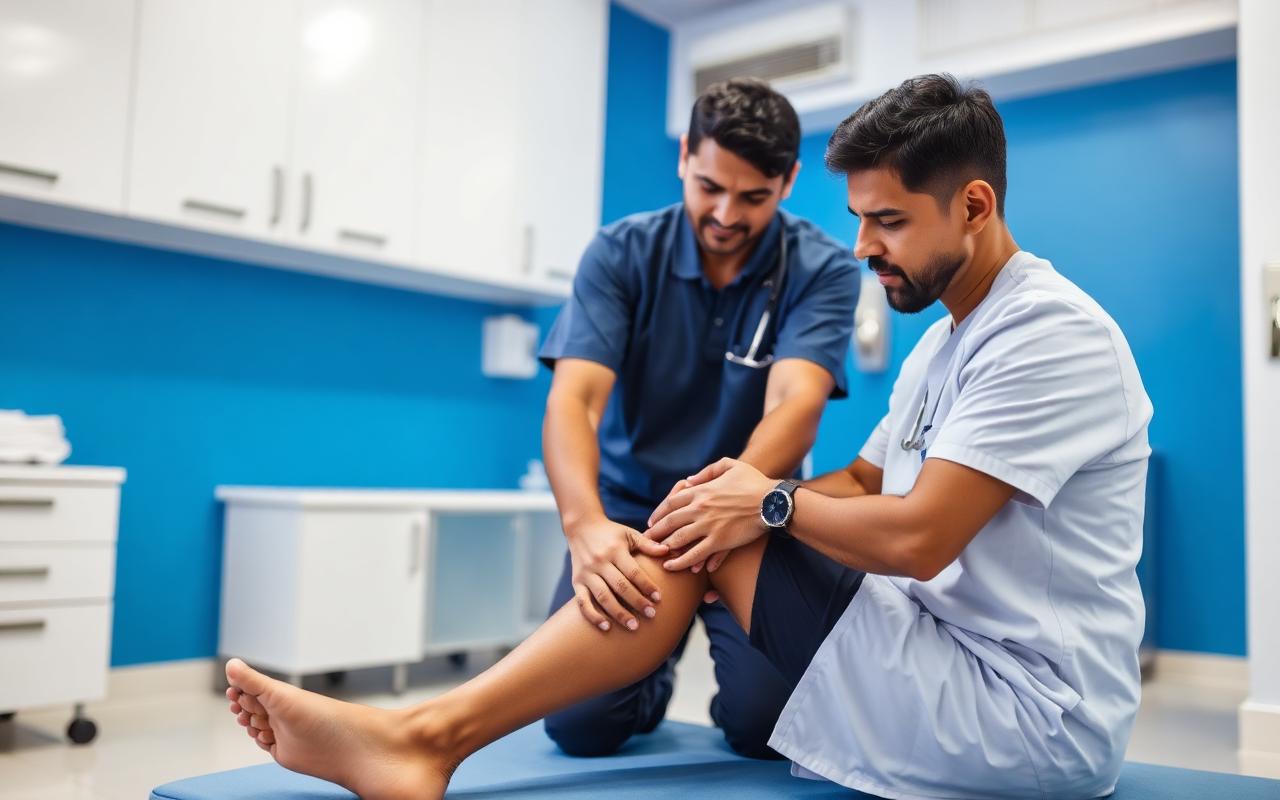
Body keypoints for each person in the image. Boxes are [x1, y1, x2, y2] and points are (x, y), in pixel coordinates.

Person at [221, 73, 1152, 800]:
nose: (866, 248)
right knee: (665, 589)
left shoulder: (1048, 334)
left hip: (1022, 716)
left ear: (975, 207)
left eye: (889, 222)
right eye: (860, 219)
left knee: (729, 621)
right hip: (931, 642)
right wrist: (716, 512)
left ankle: (423, 739)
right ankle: (429, 737)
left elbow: (915, 534)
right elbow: (868, 481)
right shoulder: (946, 340)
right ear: (683, 162)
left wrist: (764, 501)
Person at [536, 76, 858, 758]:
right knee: (582, 726)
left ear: (790, 180)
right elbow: (576, 398)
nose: (725, 214)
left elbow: (794, 403)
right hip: (630, 513)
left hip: (750, 511)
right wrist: (584, 525)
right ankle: (643, 672)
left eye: (752, 197)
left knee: (767, 729)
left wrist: (726, 505)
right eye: (709, 185)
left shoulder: (823, 268)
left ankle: (696, 661)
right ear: (685, 155)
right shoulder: (621, 253)